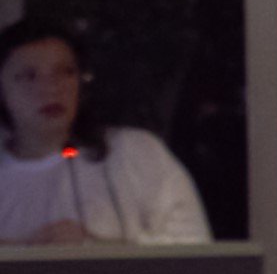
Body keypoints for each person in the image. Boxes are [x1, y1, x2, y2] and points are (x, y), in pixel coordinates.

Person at [0, 16, 209, 245]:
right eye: (30, 76)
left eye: (65, 72)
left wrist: (95, 247)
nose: (51, 88)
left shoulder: (133, 152)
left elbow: (194, 248)